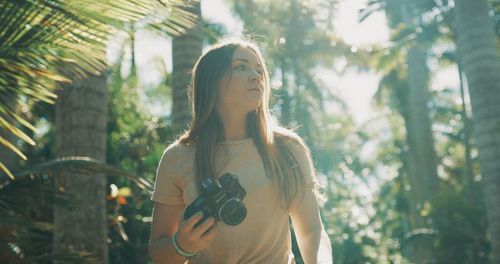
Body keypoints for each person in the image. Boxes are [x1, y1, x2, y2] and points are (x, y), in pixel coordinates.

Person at [149, 39, 333, 264]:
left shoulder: (287, 149)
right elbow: (159, 252)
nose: (256, 76)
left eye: (259, 69)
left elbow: (312, 231)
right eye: (241, 67)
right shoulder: (177, 158)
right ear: (212, 81)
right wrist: (182, 245)